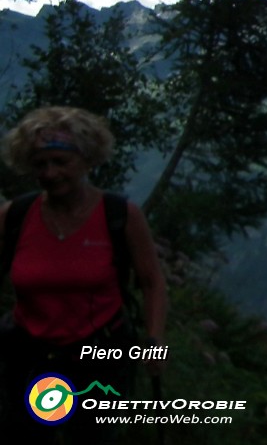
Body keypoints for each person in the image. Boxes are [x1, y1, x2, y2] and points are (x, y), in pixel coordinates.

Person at [0, 107, 167, 443]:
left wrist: (154, 340)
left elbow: (152, 282)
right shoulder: (15, 216)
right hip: (28, 352)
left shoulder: (120, 216)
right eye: (40, 164)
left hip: (100, 357)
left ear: (87, 161)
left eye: (61, 162)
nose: (50, 173)